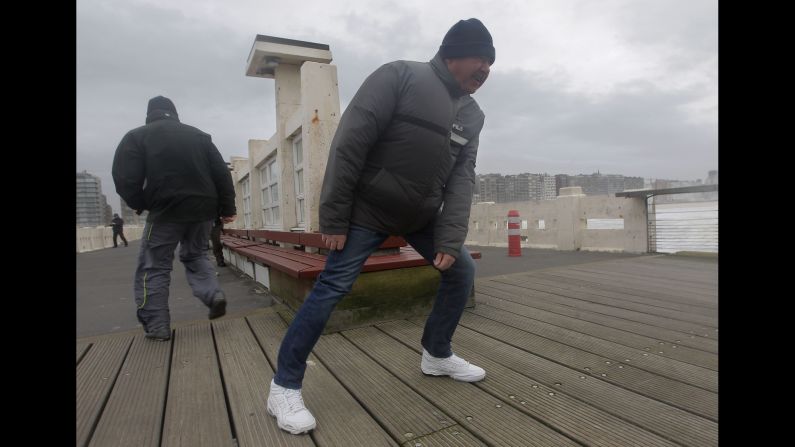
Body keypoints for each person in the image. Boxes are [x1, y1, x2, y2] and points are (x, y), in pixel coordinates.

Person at [267, 18, 495, 435]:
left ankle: (436, 353)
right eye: (481, 59)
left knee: (462, 270)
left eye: (490, 64)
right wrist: (333, 217)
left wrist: (450, 236)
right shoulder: (401, 75)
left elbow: (463, 178)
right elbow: (350, 141)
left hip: (422, 216)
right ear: (453, 54)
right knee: (332, 287)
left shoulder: (473, 115)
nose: (486, 70)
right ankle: (283, 385)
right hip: (366, 212)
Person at [112, 95, 237, 341]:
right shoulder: (200, 136)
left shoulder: (137, 136)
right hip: (203, 210)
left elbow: (125, 178)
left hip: (165, 212)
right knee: (197, 255)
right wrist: (227, 208)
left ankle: (157, 326)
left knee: (154, 266)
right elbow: (222, 173)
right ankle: (213, 295)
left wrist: (141, 203)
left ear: (150, 114)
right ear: (175, 113)